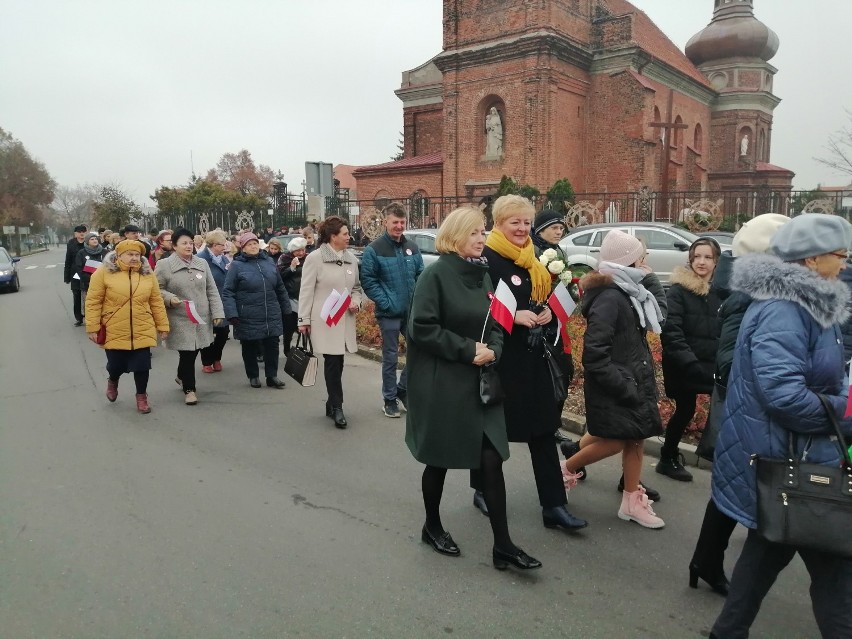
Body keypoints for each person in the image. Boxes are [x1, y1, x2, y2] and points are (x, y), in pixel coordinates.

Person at [709, 213, 852, 638]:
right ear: (810, 261)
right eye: (838, 255)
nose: (844, 264)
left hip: (792, 459)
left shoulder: (805, 302)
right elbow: (783, 395)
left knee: (770, 549)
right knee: (836, 576)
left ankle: (727, 632)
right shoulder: (786, 309)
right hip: (794, 457)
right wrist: (846, 413)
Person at [406, 206, 541, 571]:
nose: (482, 239)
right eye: (474, 233)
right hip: (444, 385)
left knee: (491, 459)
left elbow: (495, 319)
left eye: (483, 232)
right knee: (439, 459)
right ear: (455, 237)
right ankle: (431, 525)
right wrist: (469, 351)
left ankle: (504, 545)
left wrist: (494, 347)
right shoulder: (434, 276)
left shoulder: (482, 276)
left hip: (480, 384)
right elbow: (421, 328)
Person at [688, 213, 790, 596]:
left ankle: (706, 560)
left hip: (750, 405)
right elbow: (729, 360)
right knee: (741, 487)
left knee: (736, 486)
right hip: (747, 405)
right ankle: (715, 567)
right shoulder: (748, 295)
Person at [475, 195, 587, 532]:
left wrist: (549, 310)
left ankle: (553, 505)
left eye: (526, 222)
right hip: (501, 359)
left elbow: (540, 295)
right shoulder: (486, 258)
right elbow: (477, 307)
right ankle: (482, 486)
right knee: (493, 431)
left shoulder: (533, 259)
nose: (522, 228)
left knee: (543, 429)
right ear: (499, 224)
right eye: (515, 222)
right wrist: (512, 317)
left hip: (534, 356)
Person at [562, 229, 667, 528]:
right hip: (619, 383)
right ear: (628, 262)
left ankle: (631, 501)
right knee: (618, 441)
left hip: (631, 378)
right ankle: (565, 469)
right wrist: (624, 384)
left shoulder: (627, 291)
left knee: (634, 438)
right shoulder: (611, 296)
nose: (645, 263)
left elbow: (654, 320)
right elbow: (594, 353)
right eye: (641, 258)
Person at [658, 238, 722, 482]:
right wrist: (690, 363)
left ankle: (719, 460)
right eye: (697, 257)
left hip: (711, 364)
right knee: (685, 409)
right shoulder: (678, 291)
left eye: (707, 257)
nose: (701, 262)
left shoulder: (721, 293)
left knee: (720, 411)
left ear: (716, 262)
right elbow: (671, 330)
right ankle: (667, 457)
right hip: (685, 365)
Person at [85, 239, 169, 414]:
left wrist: (163, 325)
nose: (134, 258)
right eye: (130, 254)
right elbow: (93, 301)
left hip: (142, 326)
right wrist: (92, 327)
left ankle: (141, 397)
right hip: (114, 327)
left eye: (137, 255)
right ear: (119, 256)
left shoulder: (147, 274)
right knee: (116, 365)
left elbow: (156, 301)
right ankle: (113, 380)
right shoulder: (103, 273)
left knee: (142, 366)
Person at [298, 216, 364, 428]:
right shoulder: (314, 258)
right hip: (325, 320)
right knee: (333, 362)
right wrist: (303, 320)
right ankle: (337, 406)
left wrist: (356, 302)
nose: (349, 237)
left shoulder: (351, 259)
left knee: (338, 362)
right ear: (332, 236)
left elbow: (356, 288)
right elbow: (306, 290)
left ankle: (331, 402)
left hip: (344, 319)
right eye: (345, 234)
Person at [360, 203, 425, 417]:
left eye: (402, 222)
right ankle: (389, 399)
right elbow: (368, 281)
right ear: (386, 222)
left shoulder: (412, 248)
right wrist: (386, 302)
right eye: (395, 222)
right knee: (390, 358)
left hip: (411, 311)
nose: (399, 226)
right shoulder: (374, 249)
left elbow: (420, 274)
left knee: (419, 351)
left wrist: (418, 298)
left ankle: (402, 390)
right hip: (388, 313)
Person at [155, 228, 225, 405]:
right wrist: (170, 299)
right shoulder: (164, 265)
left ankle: (181, 376)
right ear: (174, 245)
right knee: (187, 353)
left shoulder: (202, 263)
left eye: (190, 242)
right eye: (184, 243)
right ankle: (190, 390)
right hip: (180, 318)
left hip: (201, 316)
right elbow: (157, 289)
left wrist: (217, 313)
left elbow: (212, 289)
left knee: (195, 350)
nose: (188, 246)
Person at [530, 208, 576, 444]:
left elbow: (564, 286)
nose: (559, 232)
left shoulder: (557, 252)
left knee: (562, 373)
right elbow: (533, 289)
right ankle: (545, 426)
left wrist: (570, 297)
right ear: (540, 230)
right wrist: (542, 309)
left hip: (556, 322)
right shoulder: (534, 252)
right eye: (554, 228)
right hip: (540, 326)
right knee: (551, 377)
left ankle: (550, 424)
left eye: (561, 228)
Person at [222, 232, 291, 389]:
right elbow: (228, 291)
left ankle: (271, 376)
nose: (253, 246)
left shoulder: (268, 262)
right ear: (243, 248)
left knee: (273, 344)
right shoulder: (236, 266)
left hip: (270, 311)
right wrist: (231, 313)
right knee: (250, 345)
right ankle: (253, 375)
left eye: (255, 243)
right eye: (249, 244)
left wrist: (286, 308)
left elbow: (280, 287)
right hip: (248, 313)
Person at [196, 230, 232, 373]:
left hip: (223, 301)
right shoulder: (200, 259)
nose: (224, 248)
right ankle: (207, 361)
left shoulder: (224, 259)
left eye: (224, 245)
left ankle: (217, 358)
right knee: (208, 333)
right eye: (221, 245)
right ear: (212, 245)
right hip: (206, 302)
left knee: (223, 332)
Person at [278, 236, 307, 355]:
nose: (301, 253)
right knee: (289, 325)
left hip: (304, 296)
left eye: (302, 250)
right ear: (292, 251)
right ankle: (286, 348)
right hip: (290, 296)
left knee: (304, 324)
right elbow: (280, 276)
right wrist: (292, 267)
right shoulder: (284, 259)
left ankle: (305, 348)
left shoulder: (308, 258)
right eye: (298, 251)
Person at [74, 231, 106, 310]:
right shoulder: (81, 253)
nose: (95, 240)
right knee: (89, 305)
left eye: (96, 239)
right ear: (87, 241)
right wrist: (88, 279)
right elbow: (79, 268)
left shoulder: (104, 252)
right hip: (87, 284)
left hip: (103, 282)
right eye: (92, 239)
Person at [64, 224, 87, 326]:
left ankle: (89, 315)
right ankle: (79, 317)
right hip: (75, 273)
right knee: (76, 294)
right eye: (79, 232)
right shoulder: (71, 243)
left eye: (83, 231)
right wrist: (67, 276)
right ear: (75, 234)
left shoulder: (89, 242)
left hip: (87, 272)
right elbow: (68, 260)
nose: (82, 233)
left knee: (89, 295)